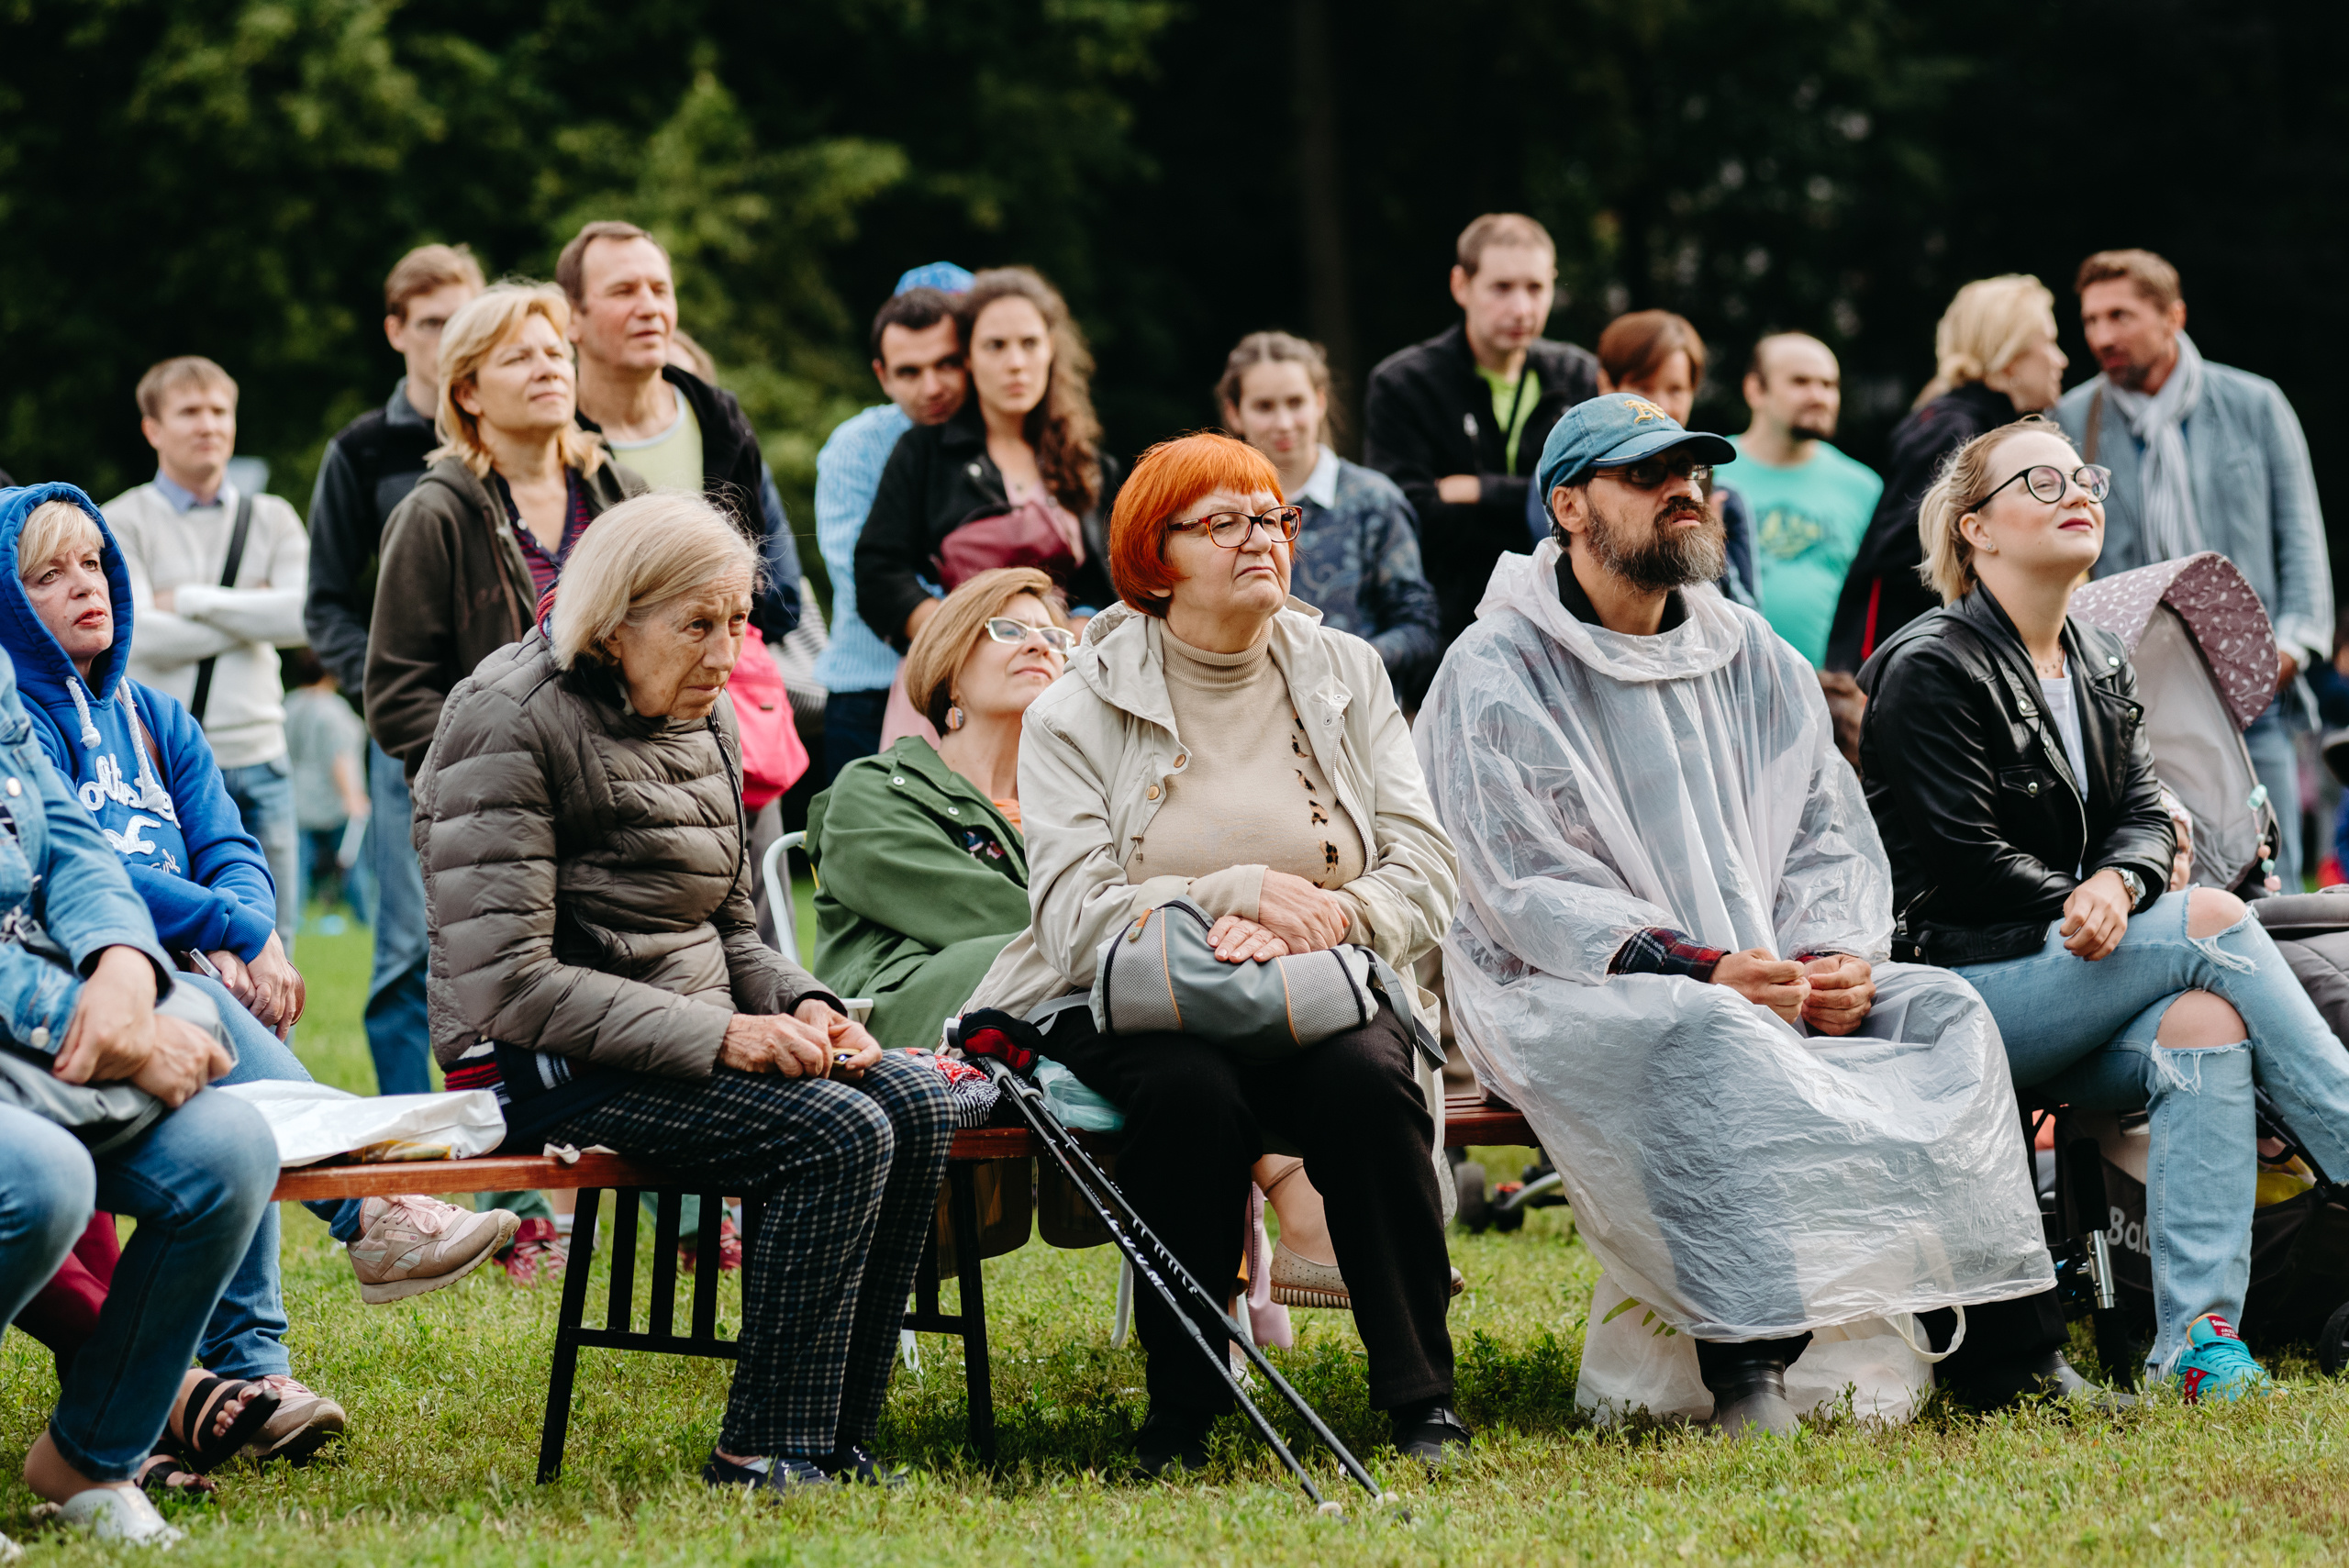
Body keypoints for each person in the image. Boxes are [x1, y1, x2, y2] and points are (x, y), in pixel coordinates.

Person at [1414, 395, 2066, 1436]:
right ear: (1569, 506)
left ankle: (2014, 1354)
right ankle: (1747, 1369)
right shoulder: (1498, 666)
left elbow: (1824, 833)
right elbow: (1521, 885)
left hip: (1763, 967)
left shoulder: (1750, 650)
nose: (1685, 491)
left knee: (1946, 1011)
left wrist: (1833, 959)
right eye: (1647, 474)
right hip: (1565, 986)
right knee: (1712, 1032)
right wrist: (1700, 965)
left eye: (1694, 472)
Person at [417, 492, 956, 1490]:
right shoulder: (505, 717)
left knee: (915, 1101)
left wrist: (804, 1003)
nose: (726, 653)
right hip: (544, 1059)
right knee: (838, 1130)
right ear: (612, 622)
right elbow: (508, 984)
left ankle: (835, 1437)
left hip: (685, 1029)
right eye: (698, 624)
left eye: (739, 621)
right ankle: (760, 1448)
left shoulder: (706, 711)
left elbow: (733, 927)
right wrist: (724, 1038)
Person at [961, 432, 1467, 1472]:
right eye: (1225, 522)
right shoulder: (1074, 706)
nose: (1261, 539)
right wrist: (1229, 897)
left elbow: (1425, 861)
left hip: (1321, 972)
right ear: (1157, 556)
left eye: (1274, 517)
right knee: (1189, 1090)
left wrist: (1327, 916)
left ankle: (1422, 1399)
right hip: (1138, 987)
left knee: (1369, 1078)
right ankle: (1182, 1410)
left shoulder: (1346, 670)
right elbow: (1073, 914)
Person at [1, 485, 518, 1465]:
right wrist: (233, 932)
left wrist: (258, 934)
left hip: (195, 968)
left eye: (95, 563)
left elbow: (228, 843)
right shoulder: (20, 722)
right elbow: (83, 872)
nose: (85, 586)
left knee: (227, 1050)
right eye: (47, 575)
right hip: (90, 982)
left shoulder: (156, 716)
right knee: (215, 1027)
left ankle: (259, 1358)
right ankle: (361, 1220)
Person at [1858, 415, 2349, 1399]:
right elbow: (1964, 865)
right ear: (1974, 530)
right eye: (2039, 483)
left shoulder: (2097, 655)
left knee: (2204, 1022)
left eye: (2082, 476)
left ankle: (2196, 1344)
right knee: (2214, 920)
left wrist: (2119, 885)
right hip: (1961, 988)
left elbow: (2143, 816)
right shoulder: (1929, 665)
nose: (2076, 491)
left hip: (2076, 969)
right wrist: (2089, 897)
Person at [368, 281, 650, 1270]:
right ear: (468, 389)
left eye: (557, 352)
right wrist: (492, 769)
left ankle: (671, 1212)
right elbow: (395, 691)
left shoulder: (615, 495)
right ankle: (516, 1216)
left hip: (619, 797)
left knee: (642, 989)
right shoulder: (434, 510)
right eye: (520, 356)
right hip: (491, 810)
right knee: (504, 1014)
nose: (550, 368)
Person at [1, 633, 277, 1544]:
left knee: (229, 1146)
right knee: (43, 1176)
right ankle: (376, 1212)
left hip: (34, 1039)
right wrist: (102, 1027)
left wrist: (123, 960)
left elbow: (73, 847)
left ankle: (90, 1456)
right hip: (36, 1034)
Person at [2057, 249, 2331, 888]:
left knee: (2274, 882)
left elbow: (2301, 539)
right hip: (2137, 698)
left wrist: (2285, 654)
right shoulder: (2073, 419)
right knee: (2171, 883)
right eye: (2091, 319)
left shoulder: (2254, 403)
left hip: (2254, 691)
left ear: (2172, 316)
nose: (2101, 336)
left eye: (2120, 316)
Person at [306, 241, 484, 1098]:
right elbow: (326, 602)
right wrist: (384, 692)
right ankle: (413, 1137)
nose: (449, 338)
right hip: (407, 734)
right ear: (396, 330)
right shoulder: (363, 450)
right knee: (409, 946)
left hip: (519, 725)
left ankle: (518, 1133)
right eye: (432, 322)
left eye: (465, 320)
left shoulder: (510, 440)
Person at [806, 568, 1066, 1051]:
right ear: (952, 673)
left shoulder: (1073, 805)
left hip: (1052, 1013)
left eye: (1054, 637)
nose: (1040, 646)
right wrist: (1122, 936)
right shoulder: (873, 791)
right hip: (903, 1035)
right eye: (1009, 630)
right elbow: (989, 915)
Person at [101, 357, 309, 945]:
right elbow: (138, 634)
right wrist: (253, 610)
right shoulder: (120, 520)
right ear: (153, 428)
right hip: (160, 765)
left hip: (261, 758)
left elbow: (302, 619)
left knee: (275, 946)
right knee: (174, 943)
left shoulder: (272, 517)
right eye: (189, 412)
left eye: (219, 411)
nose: (208, 425)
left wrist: (189, 599)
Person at [856, 267, 1119, 661]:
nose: (1016, 363)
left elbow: (1112, 583)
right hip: (957, 667)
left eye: (1029, 343)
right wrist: (960, 634)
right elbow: (877, 571)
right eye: (995, 346)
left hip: (1065, 671)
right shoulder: (924, 452)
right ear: (968, 357)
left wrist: (1079, 629)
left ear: (1050, 348)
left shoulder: (1089, 464)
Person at [1363, 213, 1599, 649]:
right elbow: (1409, 517)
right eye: (1502, 287)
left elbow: (1601, 501)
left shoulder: (1581, 376)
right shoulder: (1403, 384)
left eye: (1535, 288)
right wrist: (1542, 501)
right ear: (1461, 285)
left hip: (1567, 626)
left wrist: (1480, 490)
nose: (1522, 308)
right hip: (1447, 632)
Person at [556, 220, 801, 639]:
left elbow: (779, 597)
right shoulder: (549, 435)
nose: (649, 307)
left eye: (660, 289)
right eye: (623, 291)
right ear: (571, 318)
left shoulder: (720, 422)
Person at [1827, 275, 2069, 673]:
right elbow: (1907, 551)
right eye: (2049, 341)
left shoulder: (1983, 425)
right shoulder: (1954, 430)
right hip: (1919, 668)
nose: (2061, 360)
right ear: (2009, 353)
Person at [814, 265, 974, 781]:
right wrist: (985, 630)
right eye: (909, 371)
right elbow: (864, 576)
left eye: (947, 363)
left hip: (990, 687)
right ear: (883, 374)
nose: (932, 387)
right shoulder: (856, 447)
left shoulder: (1009, 442)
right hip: (875, 686)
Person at [1216, 330, 1439, 695]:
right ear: (1234, 413)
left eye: (1295, 402)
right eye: (1265, 407)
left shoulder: (1374, 501)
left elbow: (1419, 629)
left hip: (1357, 710)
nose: (1284, 422)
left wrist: (1338, 662)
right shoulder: (1216, 512)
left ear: (1320, 401)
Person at [1726, 333, 1882, 669]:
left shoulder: (1863, 488)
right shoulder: (1709, 473)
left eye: (1828, 385)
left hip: (1830, 690)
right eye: (1800, 382)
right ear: (1755, 390)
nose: (1819, 397)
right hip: (1723, 686)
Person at [1586, 309, 1756, 606]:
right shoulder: (1574, 476)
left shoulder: (1726, 498)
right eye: (1642, 388)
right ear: (1606, 386)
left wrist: (1709, 549)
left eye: (1676, 390)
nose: (1660, 406)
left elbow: (1750, 615)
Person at [282, 648, 369, 914]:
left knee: (294, 870)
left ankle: (289, 920)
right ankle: (364, 917)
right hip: (332, 800)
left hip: (295, 798)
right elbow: (340, 757)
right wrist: (353, 797)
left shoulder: (287, 705)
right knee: (352, 865)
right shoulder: (333, 709)